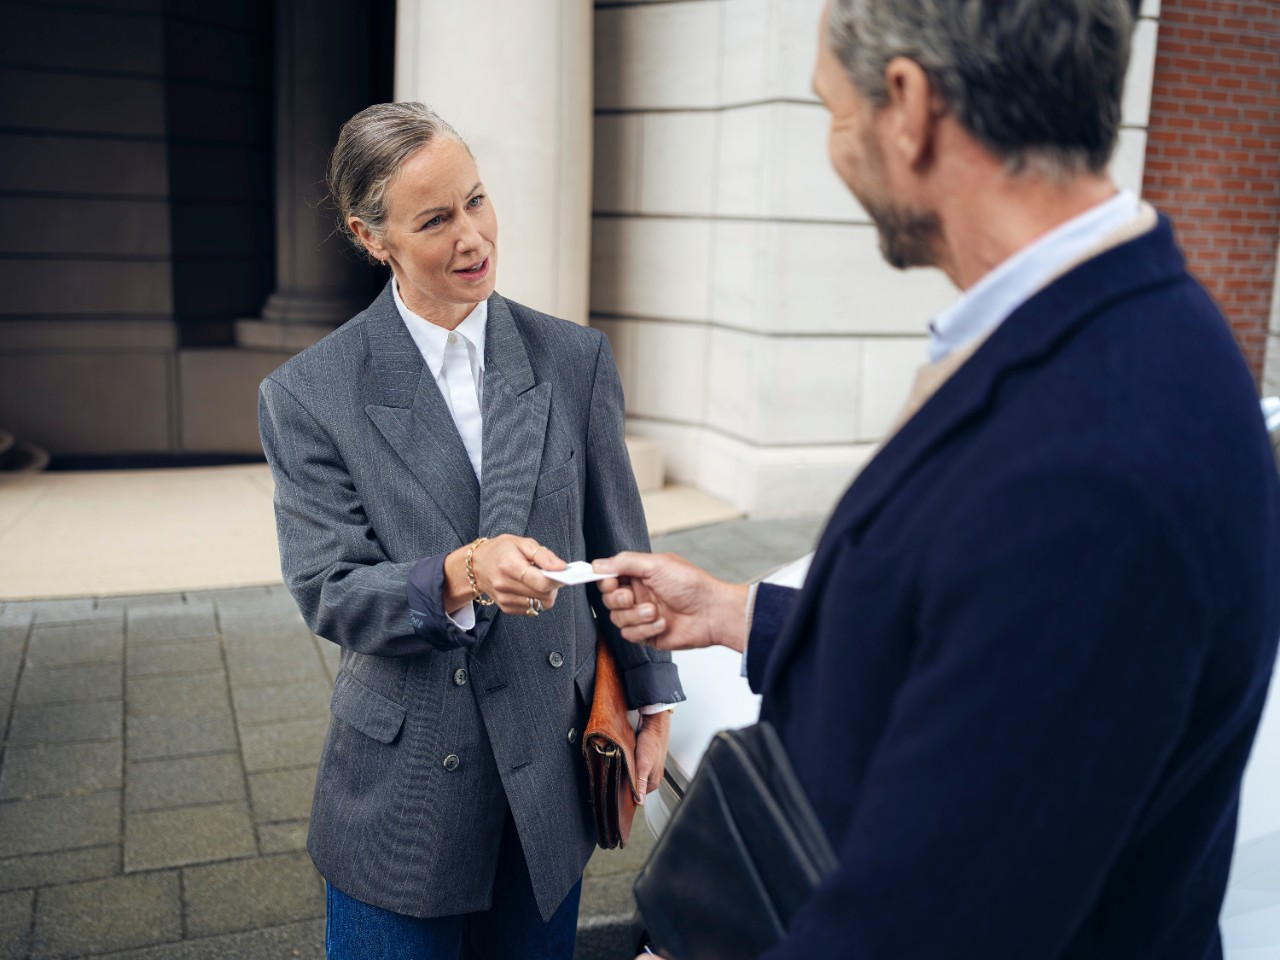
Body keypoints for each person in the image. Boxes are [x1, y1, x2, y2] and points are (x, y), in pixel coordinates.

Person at [597, 1, 1280, 957]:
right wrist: (733, 612)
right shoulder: (1098, 329)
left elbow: (937, 922)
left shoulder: (1099, 463)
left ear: (910, 105)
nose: (838, 153)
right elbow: (975, 647)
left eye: (834, 112)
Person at [258, 102, 683, 960]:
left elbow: (618, 548)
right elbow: (329, 589)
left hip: (549, 773)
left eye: (477, 200)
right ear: (371, 237)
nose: (473, 236)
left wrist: (652, 696)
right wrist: (464, 573)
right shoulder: (309, 394)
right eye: (435, 219)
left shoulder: (572, 358)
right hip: (403, 793)